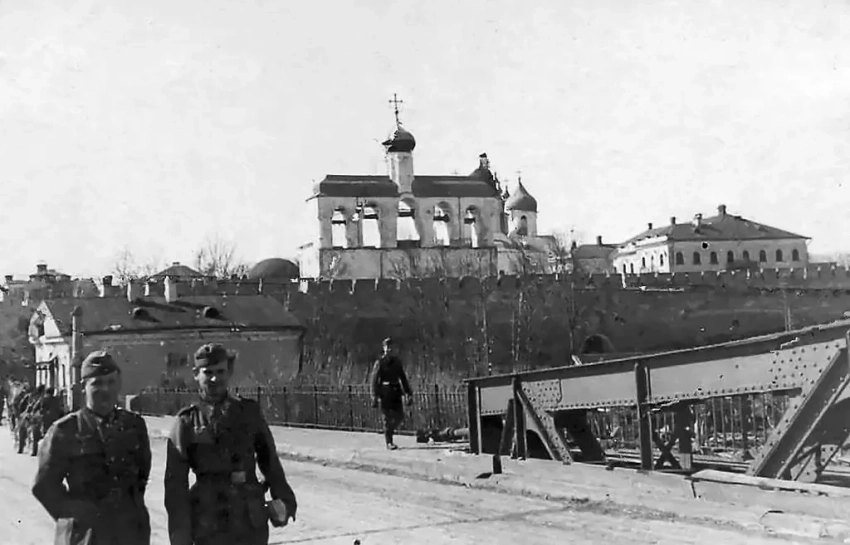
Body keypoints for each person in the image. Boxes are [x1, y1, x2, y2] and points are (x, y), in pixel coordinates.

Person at [164, 343, 298, 545]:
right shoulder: (187, 422)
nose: (215, 379)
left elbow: (269, 460)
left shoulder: (248, 412)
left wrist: (284, 499)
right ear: (196, 374)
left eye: (220, 371)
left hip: (248, 518)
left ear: (229, 372)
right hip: (208, 521)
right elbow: (175, 485)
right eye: (208, 372)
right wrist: (180, 536)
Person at [32, 350, 152, 545]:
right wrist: (75, 515)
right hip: (85, 536)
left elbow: (141, 476)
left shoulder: (134, 425)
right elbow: (44, 486)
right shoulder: (65, 430)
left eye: (111, 382)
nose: (106, 389)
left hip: (128, 533)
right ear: (83, 387)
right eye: (97, 383)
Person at [371, 337, 413, 450]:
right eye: (387, 347)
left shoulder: (397, 362)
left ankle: (389, 431)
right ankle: (389, 442)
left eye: (391, 347)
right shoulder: (380, 363)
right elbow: (374, 381)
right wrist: (374, 396)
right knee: (387, 418)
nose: (389, 349)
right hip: (385, 392)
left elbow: (403, 378)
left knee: (399, 416)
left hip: (396, 391)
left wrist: (408, 392)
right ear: (384, 348)